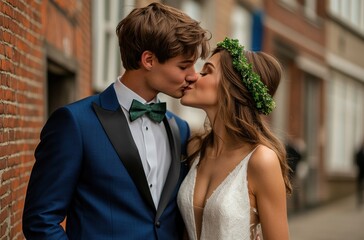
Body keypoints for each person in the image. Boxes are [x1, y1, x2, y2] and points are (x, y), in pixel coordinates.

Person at [22, 2, 209, 239]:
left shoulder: (179, 129)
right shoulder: (75, 123)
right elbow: (40, 220)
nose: (193, 75)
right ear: (149, 60)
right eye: (184, 66)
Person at [177, 38, 291, 240]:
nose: (194, 76)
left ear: (232, 87)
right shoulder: (195, 148)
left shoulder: (261, 161)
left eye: (206, 72)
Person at [355, 140, 364, 207]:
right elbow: (356, 161)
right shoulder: (358, 153)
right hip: (360, 172)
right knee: (359, 186)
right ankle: (359, 199)